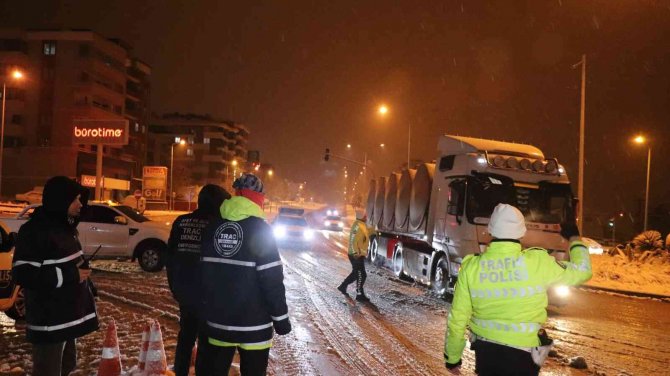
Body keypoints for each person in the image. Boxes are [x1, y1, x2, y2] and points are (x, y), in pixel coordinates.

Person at [444, 204, 592, 376]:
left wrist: (452, 358)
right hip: (524, 357)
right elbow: (583, 271)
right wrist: (574, 239)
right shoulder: (537, 262)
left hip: (486, 354)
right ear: (521, 232)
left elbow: (458, 318)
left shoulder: (471, 267)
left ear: (490, 230)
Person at [199, 173, 291, 375]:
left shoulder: (213, 227)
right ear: (259, 199)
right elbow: (272, 280)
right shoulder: (261, 230)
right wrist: (281, 319)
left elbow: (203, 275)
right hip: (254, 327)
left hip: (218, 322)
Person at [12, 176, 99, 376]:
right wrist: (70, 275)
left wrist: (85, 278)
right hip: (49, 323)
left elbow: (68, 261)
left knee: (67, 366)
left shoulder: (66, 228)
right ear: (61, 200)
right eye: (75, 199)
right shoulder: (34, 231)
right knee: (48, 371)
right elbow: (23, 274)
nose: (80, 204)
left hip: (68, 318)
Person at [166, 184, 230, 376]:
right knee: (205, 342)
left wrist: (175, 288)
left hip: (184, 291)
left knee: (185, 337)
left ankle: (181, 373)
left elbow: (170, 257)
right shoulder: (217, 225)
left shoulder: (181, 221)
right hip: (207, 295)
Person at [337, 209, 370, 302]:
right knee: (361, 275)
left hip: (359, 254)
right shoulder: (357, 225)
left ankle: (343, 286)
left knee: (356, 273)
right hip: (355, 255)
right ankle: (359, 294)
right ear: (361, 217)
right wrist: (355, 253)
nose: (366, 217)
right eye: (365, 215)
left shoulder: (361, 225)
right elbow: (353, 240)